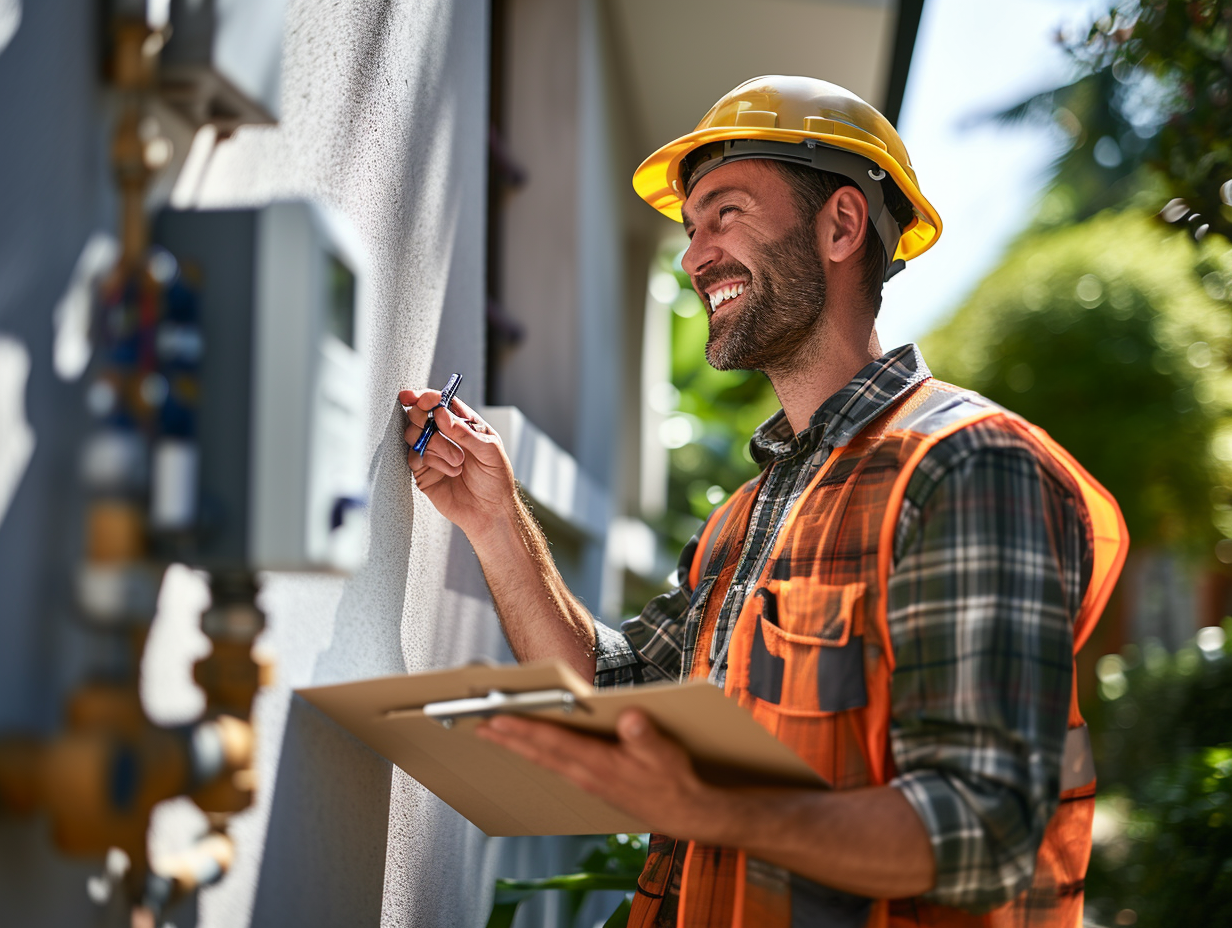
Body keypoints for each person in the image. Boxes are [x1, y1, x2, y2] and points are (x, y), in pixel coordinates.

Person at [398, 76, 1127, 928]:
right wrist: (494, 520)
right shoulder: (748, 515)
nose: (694, 254)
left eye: (725, 213)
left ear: (842, 225)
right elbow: (613, 694)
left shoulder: (967, 466)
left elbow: (984, 830)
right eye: (690, 226)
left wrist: (715, 808)